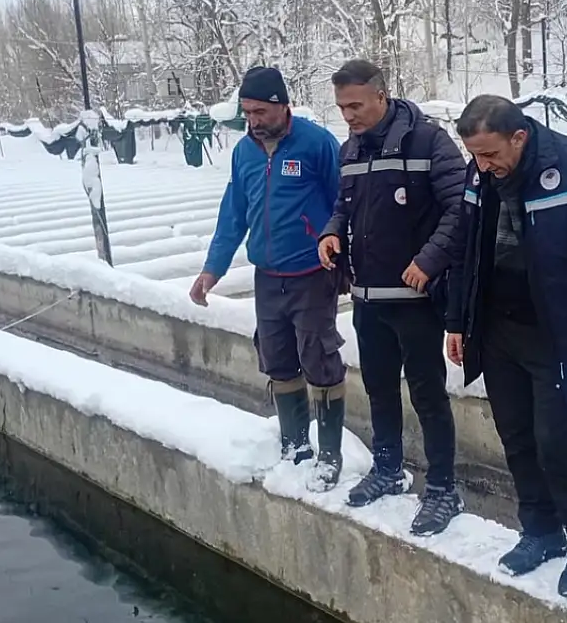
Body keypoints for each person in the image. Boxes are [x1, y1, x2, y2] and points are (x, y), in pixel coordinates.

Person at [444, 95, 567, 599]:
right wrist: (457, 321)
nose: (483, 165)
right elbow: (464, 250)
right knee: (516, 436)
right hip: (498, 328)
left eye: (490, 154)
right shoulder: (479, 173)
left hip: (556, 332)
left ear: (519, 137)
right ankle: (541, 530)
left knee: (556, 440)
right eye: (475, 156)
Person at [317, 60, 466, 536]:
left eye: (355, 106)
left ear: (381, 96)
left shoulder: (428, 142)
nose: (348, 116)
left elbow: (461, 209)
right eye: (341, 107)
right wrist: (331, 232)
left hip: (415, 299)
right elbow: (344, 205)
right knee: (379, 387)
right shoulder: (351, 149)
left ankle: (442, 488)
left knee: (427, 394)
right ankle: (388, 469)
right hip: (368, 296)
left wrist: (429, 260)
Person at [190, 66, 348, 492]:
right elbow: (234, 213)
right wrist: (213, 268)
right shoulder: (244, 152)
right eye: (247, 113)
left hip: (312, 273)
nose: (253, 121)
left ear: (282, 106)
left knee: (319, 357)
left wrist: (344, 257)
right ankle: (295, 445)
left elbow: (343, 203)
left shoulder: (317, 144)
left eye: (260, 112)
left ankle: (329, 455)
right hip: (268, 276)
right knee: (277, 358)